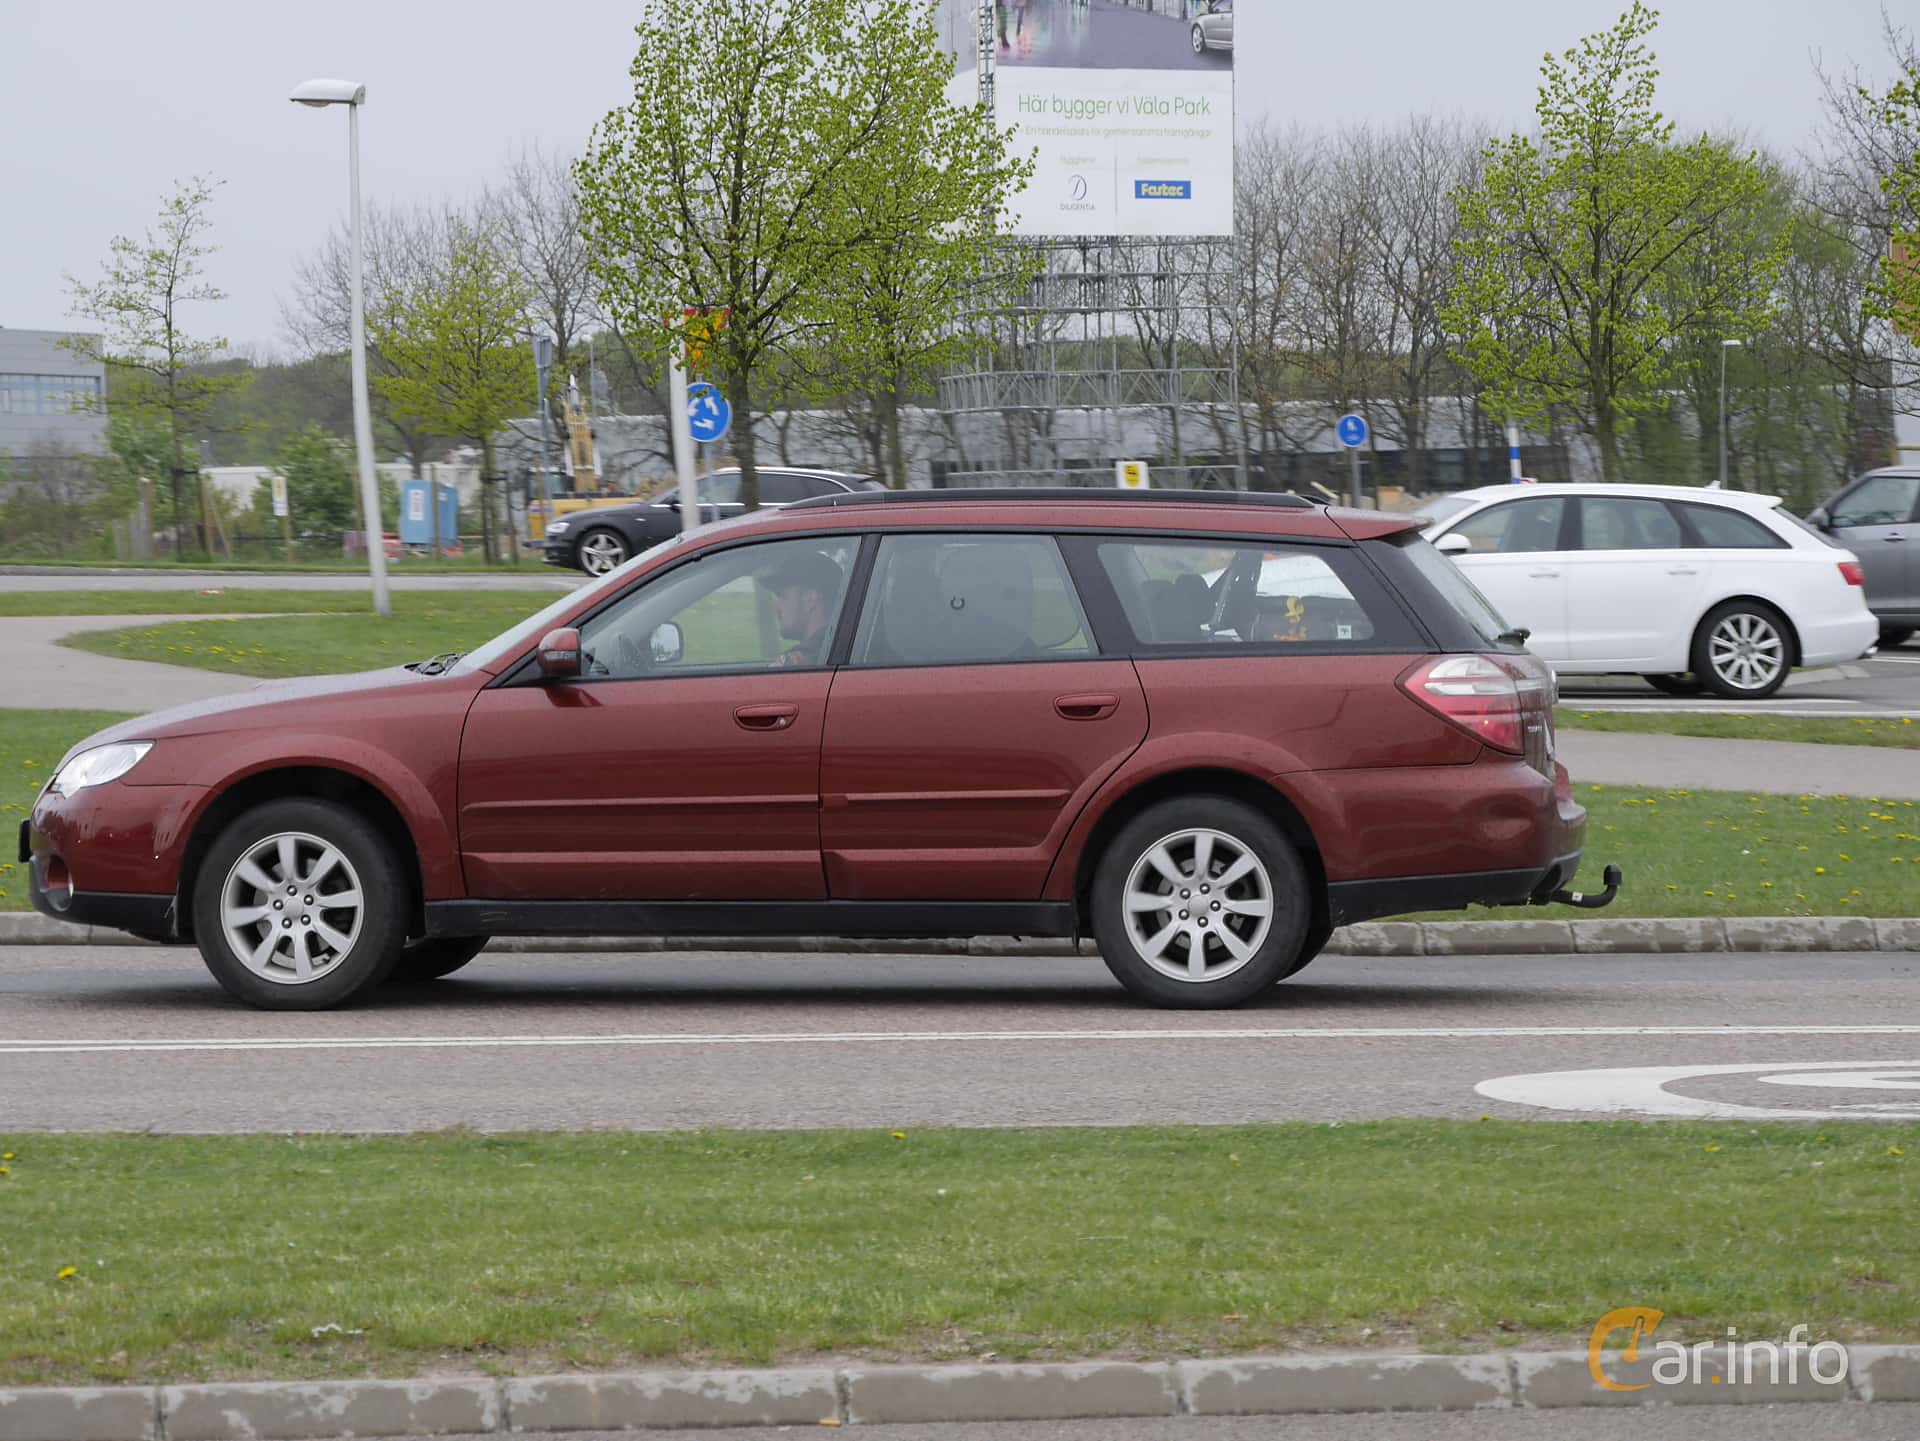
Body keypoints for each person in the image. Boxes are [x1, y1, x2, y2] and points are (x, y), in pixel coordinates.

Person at [760, 550, 845, 668]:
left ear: (810, 599)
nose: (776, 607)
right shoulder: (841, 648)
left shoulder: (799, 663)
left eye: (782, 595)